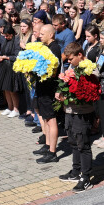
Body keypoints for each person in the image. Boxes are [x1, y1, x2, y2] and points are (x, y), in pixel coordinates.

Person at [57, 42, 96, 191]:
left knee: (83, 145)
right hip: (69, 111)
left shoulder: (90, 69)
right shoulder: (73, 66)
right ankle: (75, 171)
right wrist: (60, 92)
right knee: (73, 142)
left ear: (80, 55)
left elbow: (90, 92)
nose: (68, 62)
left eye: (70, 59)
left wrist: (70, 96)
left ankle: (86, 178)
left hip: (82, 113)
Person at [34, 24, 63, 164]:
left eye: (42, 34)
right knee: (45, 118)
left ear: (51, 35)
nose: (40, 36)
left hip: (49, 89)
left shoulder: (54, 48)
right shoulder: (47, 47)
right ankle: (47, 145)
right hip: (42, 87)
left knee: (51, 120)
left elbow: (53, 72)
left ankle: (53, 153)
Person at [0, 25, 23, 118]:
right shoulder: (6, 40)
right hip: (4, 66)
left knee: (12, 90)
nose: (5, 37)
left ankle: (16, 109)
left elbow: (17, 55)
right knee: (5, 89)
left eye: (7, 35)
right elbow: (2, 51)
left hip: (12, 67)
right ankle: (9, 107)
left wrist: (6, 57)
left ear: (11, 34)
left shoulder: (17, 40)